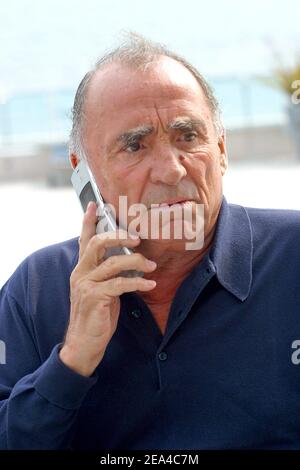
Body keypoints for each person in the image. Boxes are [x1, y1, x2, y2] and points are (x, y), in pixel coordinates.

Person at [1, 33, 300, 450]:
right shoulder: (35, 288)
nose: (171, 170)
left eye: (187, 136)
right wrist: (71, 362)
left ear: (222, 148)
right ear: (82, 172)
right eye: (134, 145)